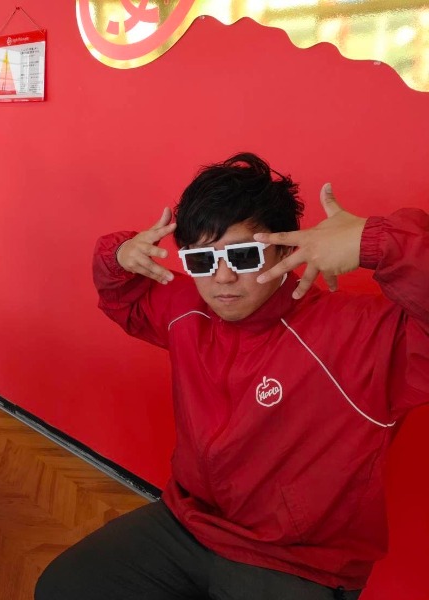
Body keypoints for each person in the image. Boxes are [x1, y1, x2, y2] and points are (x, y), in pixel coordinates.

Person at [35, 153, 428, 599]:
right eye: (202, 260)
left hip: (299, 560)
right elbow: (122, 296)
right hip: (189, 522)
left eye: (242, 255)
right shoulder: (187, 308)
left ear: (287, 249)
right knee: (64, 587)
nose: (222, 278)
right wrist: (120, 253)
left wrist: (376, 242)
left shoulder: (359, 334)